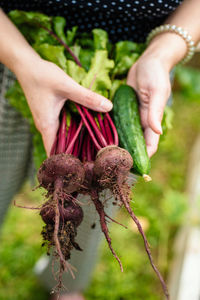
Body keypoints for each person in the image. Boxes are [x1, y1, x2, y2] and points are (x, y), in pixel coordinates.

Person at [0, 1, 200, 299]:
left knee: (97, 207)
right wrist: (24, 64)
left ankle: (68, 285)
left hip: (140, 76)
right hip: (17, 55)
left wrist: (162, 54)